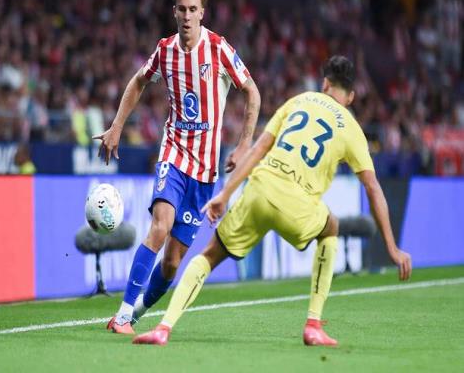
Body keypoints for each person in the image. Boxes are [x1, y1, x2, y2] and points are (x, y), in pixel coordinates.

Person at [133, 55, 412, 347]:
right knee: (330, 226)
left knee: (210, 255)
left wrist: (225, 194)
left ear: (324, 84)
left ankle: (164, 328)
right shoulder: (352, 129)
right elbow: (372, 188)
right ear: (351, 96)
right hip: (297, 204)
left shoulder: (299, 101)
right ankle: (313, 325)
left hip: (260, 189)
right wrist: (392, 248)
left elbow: (258, 149)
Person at [93, 0, 261, 334]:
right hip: (173, 155)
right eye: (181, 9)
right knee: (160, 226)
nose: (186, 16)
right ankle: (122, 314)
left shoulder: (218, 49)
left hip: (205, 172)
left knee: (171, 263)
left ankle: (135, 313)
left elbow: (253, 92)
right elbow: (138, 81)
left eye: (193, 9)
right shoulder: (165, 50)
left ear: (202, 13)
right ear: (174, 12)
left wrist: (245, 142)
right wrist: (117, 126)